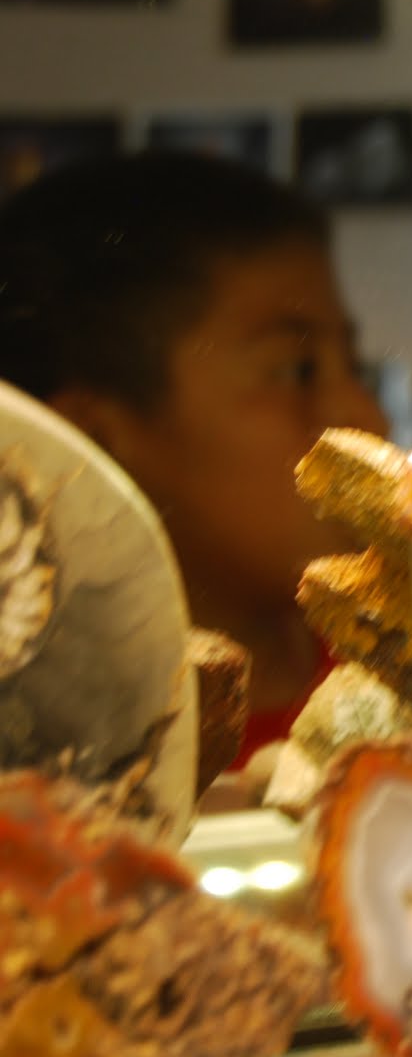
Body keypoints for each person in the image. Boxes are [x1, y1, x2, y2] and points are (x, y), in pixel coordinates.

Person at [0, 151, 389, 774]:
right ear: (93, 443)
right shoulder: (43, 763)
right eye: (296, 371)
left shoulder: (407, 681)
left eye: (357, 367)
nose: (369, 417)